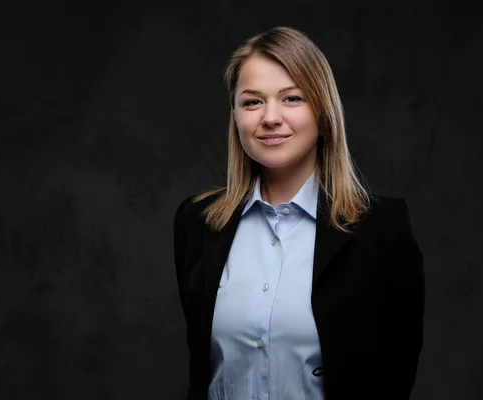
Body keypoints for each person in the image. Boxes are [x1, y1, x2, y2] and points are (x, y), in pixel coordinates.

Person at [173, 26, 425, 400]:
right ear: (235, 116)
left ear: (323, 112)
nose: (270, 117)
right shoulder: (199, 222)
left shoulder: (381, 229)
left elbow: (395, 375)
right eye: (252, 102)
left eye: (291, 98)